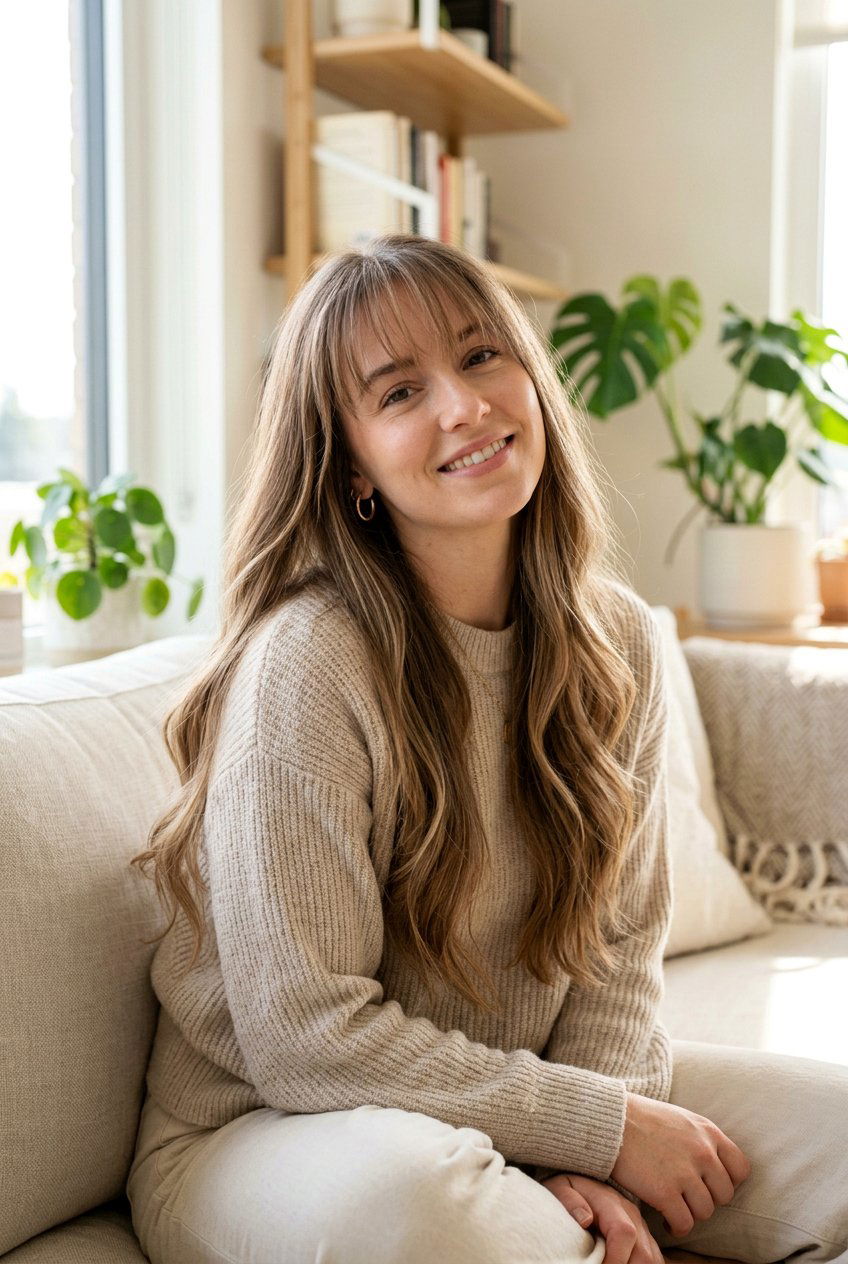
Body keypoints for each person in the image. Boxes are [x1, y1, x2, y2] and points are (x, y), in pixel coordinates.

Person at [126, 234, 848, 1264]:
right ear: (351, 463)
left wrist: (593, 1151)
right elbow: (304, 1035)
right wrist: (594, 1130)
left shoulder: (618, 645)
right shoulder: (309, 663)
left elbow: (613, 968)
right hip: (266, 1132)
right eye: (397, 392)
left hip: (504, 1105)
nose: (461, 407)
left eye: (478, 358)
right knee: (424, 1209)